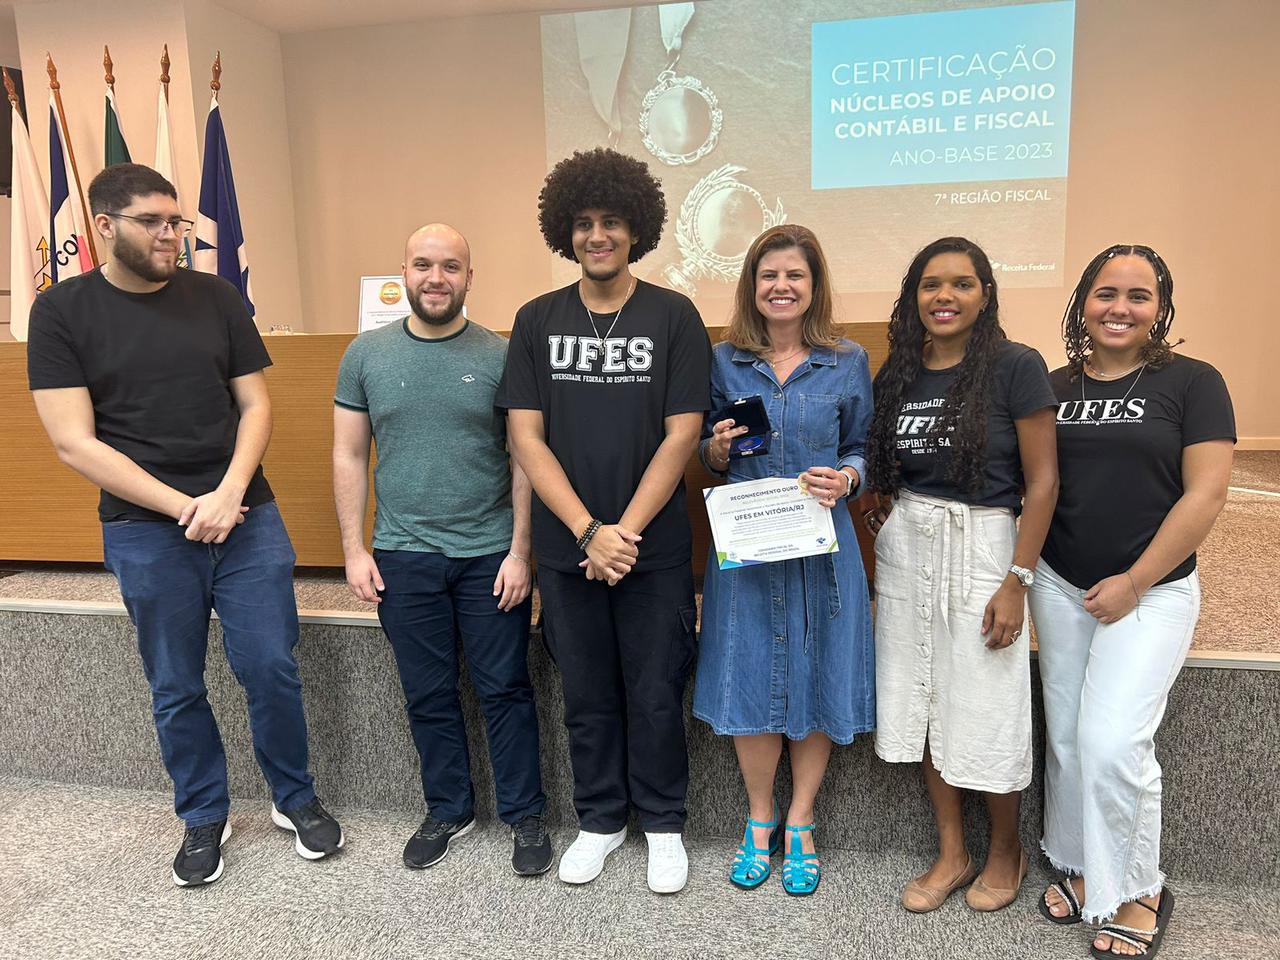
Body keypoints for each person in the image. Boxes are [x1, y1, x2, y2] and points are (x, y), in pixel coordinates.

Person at [25, 163, 342, 887]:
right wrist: (182, 507)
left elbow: (255, 406)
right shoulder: (63, 312)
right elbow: (75, 441)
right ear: (105, 227)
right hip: (145, 528)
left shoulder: (215, 296)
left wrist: (229, 493)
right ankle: (204, 815)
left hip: (246, 514)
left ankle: (295, 800)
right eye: (154, 222)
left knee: (269, 663)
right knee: (175, 681)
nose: (172, 235)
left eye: (179, 222)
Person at [497, 147, 712, 894]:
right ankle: (599, 820)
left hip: (650, 552)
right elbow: (525, 437)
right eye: (584, 223)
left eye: (611, 222)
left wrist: (621, 533)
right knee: (586, 693)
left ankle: (661, 822)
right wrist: (589, 531)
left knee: (655, 692)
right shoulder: (535, 320)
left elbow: (682, 434)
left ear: (636, 229)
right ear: (565, 230)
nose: (597, 235)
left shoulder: (674, 316)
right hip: (570, 551)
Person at [1031, 245, 1234, 958]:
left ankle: (1141, 885)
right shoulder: (1052, 385)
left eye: (1138, 296)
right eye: (1105, 293)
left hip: (1153, 590)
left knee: (1114, 740)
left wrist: (1138, 580)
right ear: (1082, 302)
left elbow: (1206, 493)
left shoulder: (1193, 382)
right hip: (1062, 582)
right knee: (1065, 736)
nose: (1120, 307)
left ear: (1161, 308)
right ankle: (1085, 866)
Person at [332, 224, 551, 875]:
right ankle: (448, 808)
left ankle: (525, 816)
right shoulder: (365, 355)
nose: (436, 277)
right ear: (404, 271)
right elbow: (348, 455)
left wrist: (521, 553)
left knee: (505, 689)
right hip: (402, 555)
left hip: (490, 557)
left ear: (468, 276)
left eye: (450, 266)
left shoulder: (500, 354)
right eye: (424, 265)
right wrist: (353, 549)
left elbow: (523, 460)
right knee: (427, 693)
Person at [864, 236, 1058, 913]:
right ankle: (953, 851)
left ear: (985, 294)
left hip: (986, 546)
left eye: (962, 284)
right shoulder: (898, 372)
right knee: (922, 696)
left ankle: (1006, 849)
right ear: (913, 296)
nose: (944, 296)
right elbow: (890, 470)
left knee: (987, 701)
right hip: (911, 543)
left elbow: (1044, 481)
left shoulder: (1015, 366)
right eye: (930, 284)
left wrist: (1018, 579)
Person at [695, 224, 873, 896]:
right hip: (747, 547)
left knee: (819, 667)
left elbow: (863, 447)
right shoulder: (723, 361)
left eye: (795, 275)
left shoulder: (846, 361)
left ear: (814, 286)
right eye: (769, 275)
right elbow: (705, 453)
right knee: (749, 674)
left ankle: (801, 822)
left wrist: (848, 479)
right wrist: (714, 449)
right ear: (751, 286)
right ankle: (759, 819)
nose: (782, 286)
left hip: (822, 546)